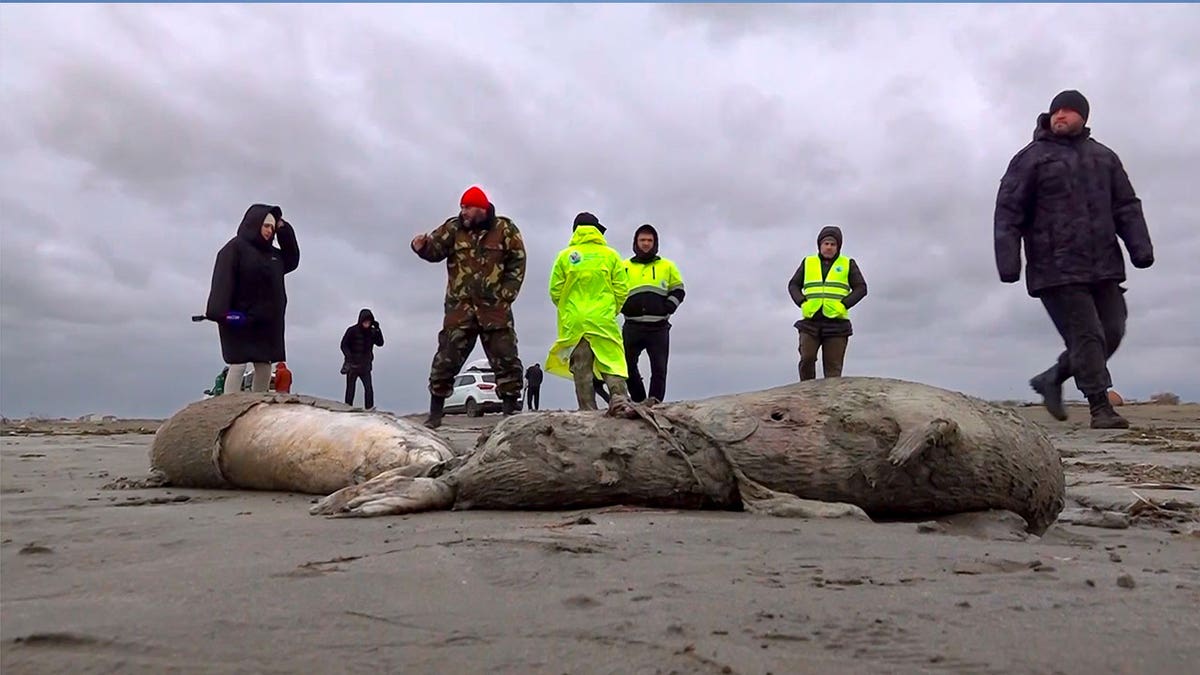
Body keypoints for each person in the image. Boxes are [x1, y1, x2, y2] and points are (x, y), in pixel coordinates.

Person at [994, 90, 1154, 429]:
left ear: (1083, 116)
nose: (1060, 116)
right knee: (1087, 335)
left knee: (1112, 330)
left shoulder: (1104, 158)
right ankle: (1100, 407)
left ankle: (1053, 377)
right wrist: (1009, 261)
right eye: (1056, 111)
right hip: (1055, 267)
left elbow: (1126, 205)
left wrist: (1140, 247)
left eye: (1068, 111)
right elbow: (1008, 212)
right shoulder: (1031, 159)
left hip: (1104, 265)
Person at [411, 186, 526, 428]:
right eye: (462, 207)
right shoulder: (453, 228)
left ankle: (509, 411)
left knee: (506, 357)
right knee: (446, 358)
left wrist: (507, 294)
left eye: (467, 207)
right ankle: (435, 414)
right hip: (460, 308)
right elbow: (435, 250)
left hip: (494, 308)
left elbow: (518, 260)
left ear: (481, 208)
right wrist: (420, 247)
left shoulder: (505, 229)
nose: (463, 211)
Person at [205, 204, 300, 393]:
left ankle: (258, 406)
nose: (269, 231)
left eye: (272, 228)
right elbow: (222, 283)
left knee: (264, 366)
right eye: (266, 226)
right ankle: (229, 406)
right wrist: (222, 314)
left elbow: (292, 259)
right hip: (238, 319)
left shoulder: (274, 256)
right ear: (254, 223)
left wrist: (283, 228)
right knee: (238, 364)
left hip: (265, 322)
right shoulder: (234, 249)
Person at [545, 212, 631, 411]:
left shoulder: (565, 256)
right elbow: (622, 289)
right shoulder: (611, 255)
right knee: (612, 361)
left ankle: (587, 411)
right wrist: (611, 310)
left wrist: (569, 310)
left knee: (581, 368)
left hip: (575, 320)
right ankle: (620, 401)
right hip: (602, 318)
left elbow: (555, 291)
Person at [787, 225, 867, 381]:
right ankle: (806, 391)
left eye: (833, 244)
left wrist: (844, 304)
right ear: (820, 245)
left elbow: (861, 288)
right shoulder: (808, 262)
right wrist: (802, 302)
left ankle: (831, 402)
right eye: (826, 244)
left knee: (833, 370)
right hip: (811, 321)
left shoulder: (847, 263)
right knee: (807, 358)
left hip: (837, 323)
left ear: (838, 247)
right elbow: (793, 285)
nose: (829, 247)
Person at [620, 223, 685, 404]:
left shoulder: (667, 265)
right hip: (632, 326)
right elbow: (613, 291)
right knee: (627, 366)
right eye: (642, 240)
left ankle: (655, 404)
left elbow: (679, 290)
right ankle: (640, 400)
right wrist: (622, 307)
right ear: (636, 242)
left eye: (650, 240)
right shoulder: (623, 266)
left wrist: (669, 306)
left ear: (655, 242)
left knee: (659, 369)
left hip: (659, 327)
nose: (646, 243)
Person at [340, 308, 385, 409]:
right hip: (352, 366)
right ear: (361, 320)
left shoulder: (372, 332)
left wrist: (378, 329)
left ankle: (369, 409)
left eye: (369, 321)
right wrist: (348, 356)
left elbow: (380, 343)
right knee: (350, 390)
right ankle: (347, 408)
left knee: (369, 389)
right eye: (365, 321)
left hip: (365, 367)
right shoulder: (352, 331)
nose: (367, 323)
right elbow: (343, 345)